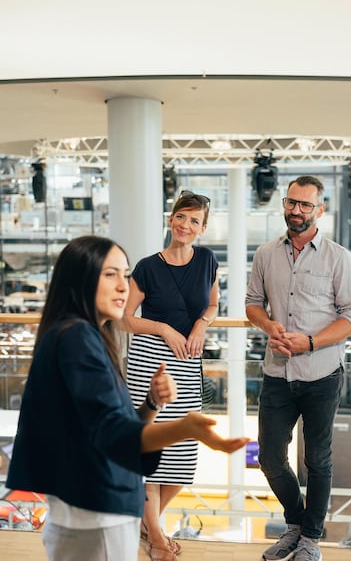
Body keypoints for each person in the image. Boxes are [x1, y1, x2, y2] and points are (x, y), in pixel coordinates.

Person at [6, 235, 248, 561]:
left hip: (88, 515)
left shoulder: (82, 336)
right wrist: (184, 428)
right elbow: (112, 434)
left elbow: (110, 425)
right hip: (97, 516)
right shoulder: (77, 338)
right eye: (110, 274)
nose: (123, 286)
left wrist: (150, 404)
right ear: (80, 279)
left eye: (125, 274)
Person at [245, 176, 351, 561]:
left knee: (318, 460)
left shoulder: (338, 257)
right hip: (277, 373)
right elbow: (252, 303)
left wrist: (310, 342)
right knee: (270, 457)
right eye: (291, 202)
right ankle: (296, 524)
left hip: (322, 374)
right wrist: (268, 325)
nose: (296, 210)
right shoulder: (265, 253)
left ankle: (311, 540)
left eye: (305, 205)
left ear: (320, 210)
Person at [123, 190, 219, 558]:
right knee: (149, 449)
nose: (186, 225)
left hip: (187, 360)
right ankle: (158, 540)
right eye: (182, 217)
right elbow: (126, 318)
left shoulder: (208, 260)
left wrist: (201, 325)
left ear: (203, 228)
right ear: (171, 219)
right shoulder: (147, 265)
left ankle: (144, 525)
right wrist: (163, 328)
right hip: (150, 361)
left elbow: (212, 303)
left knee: (183, 454)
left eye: (195, 220)